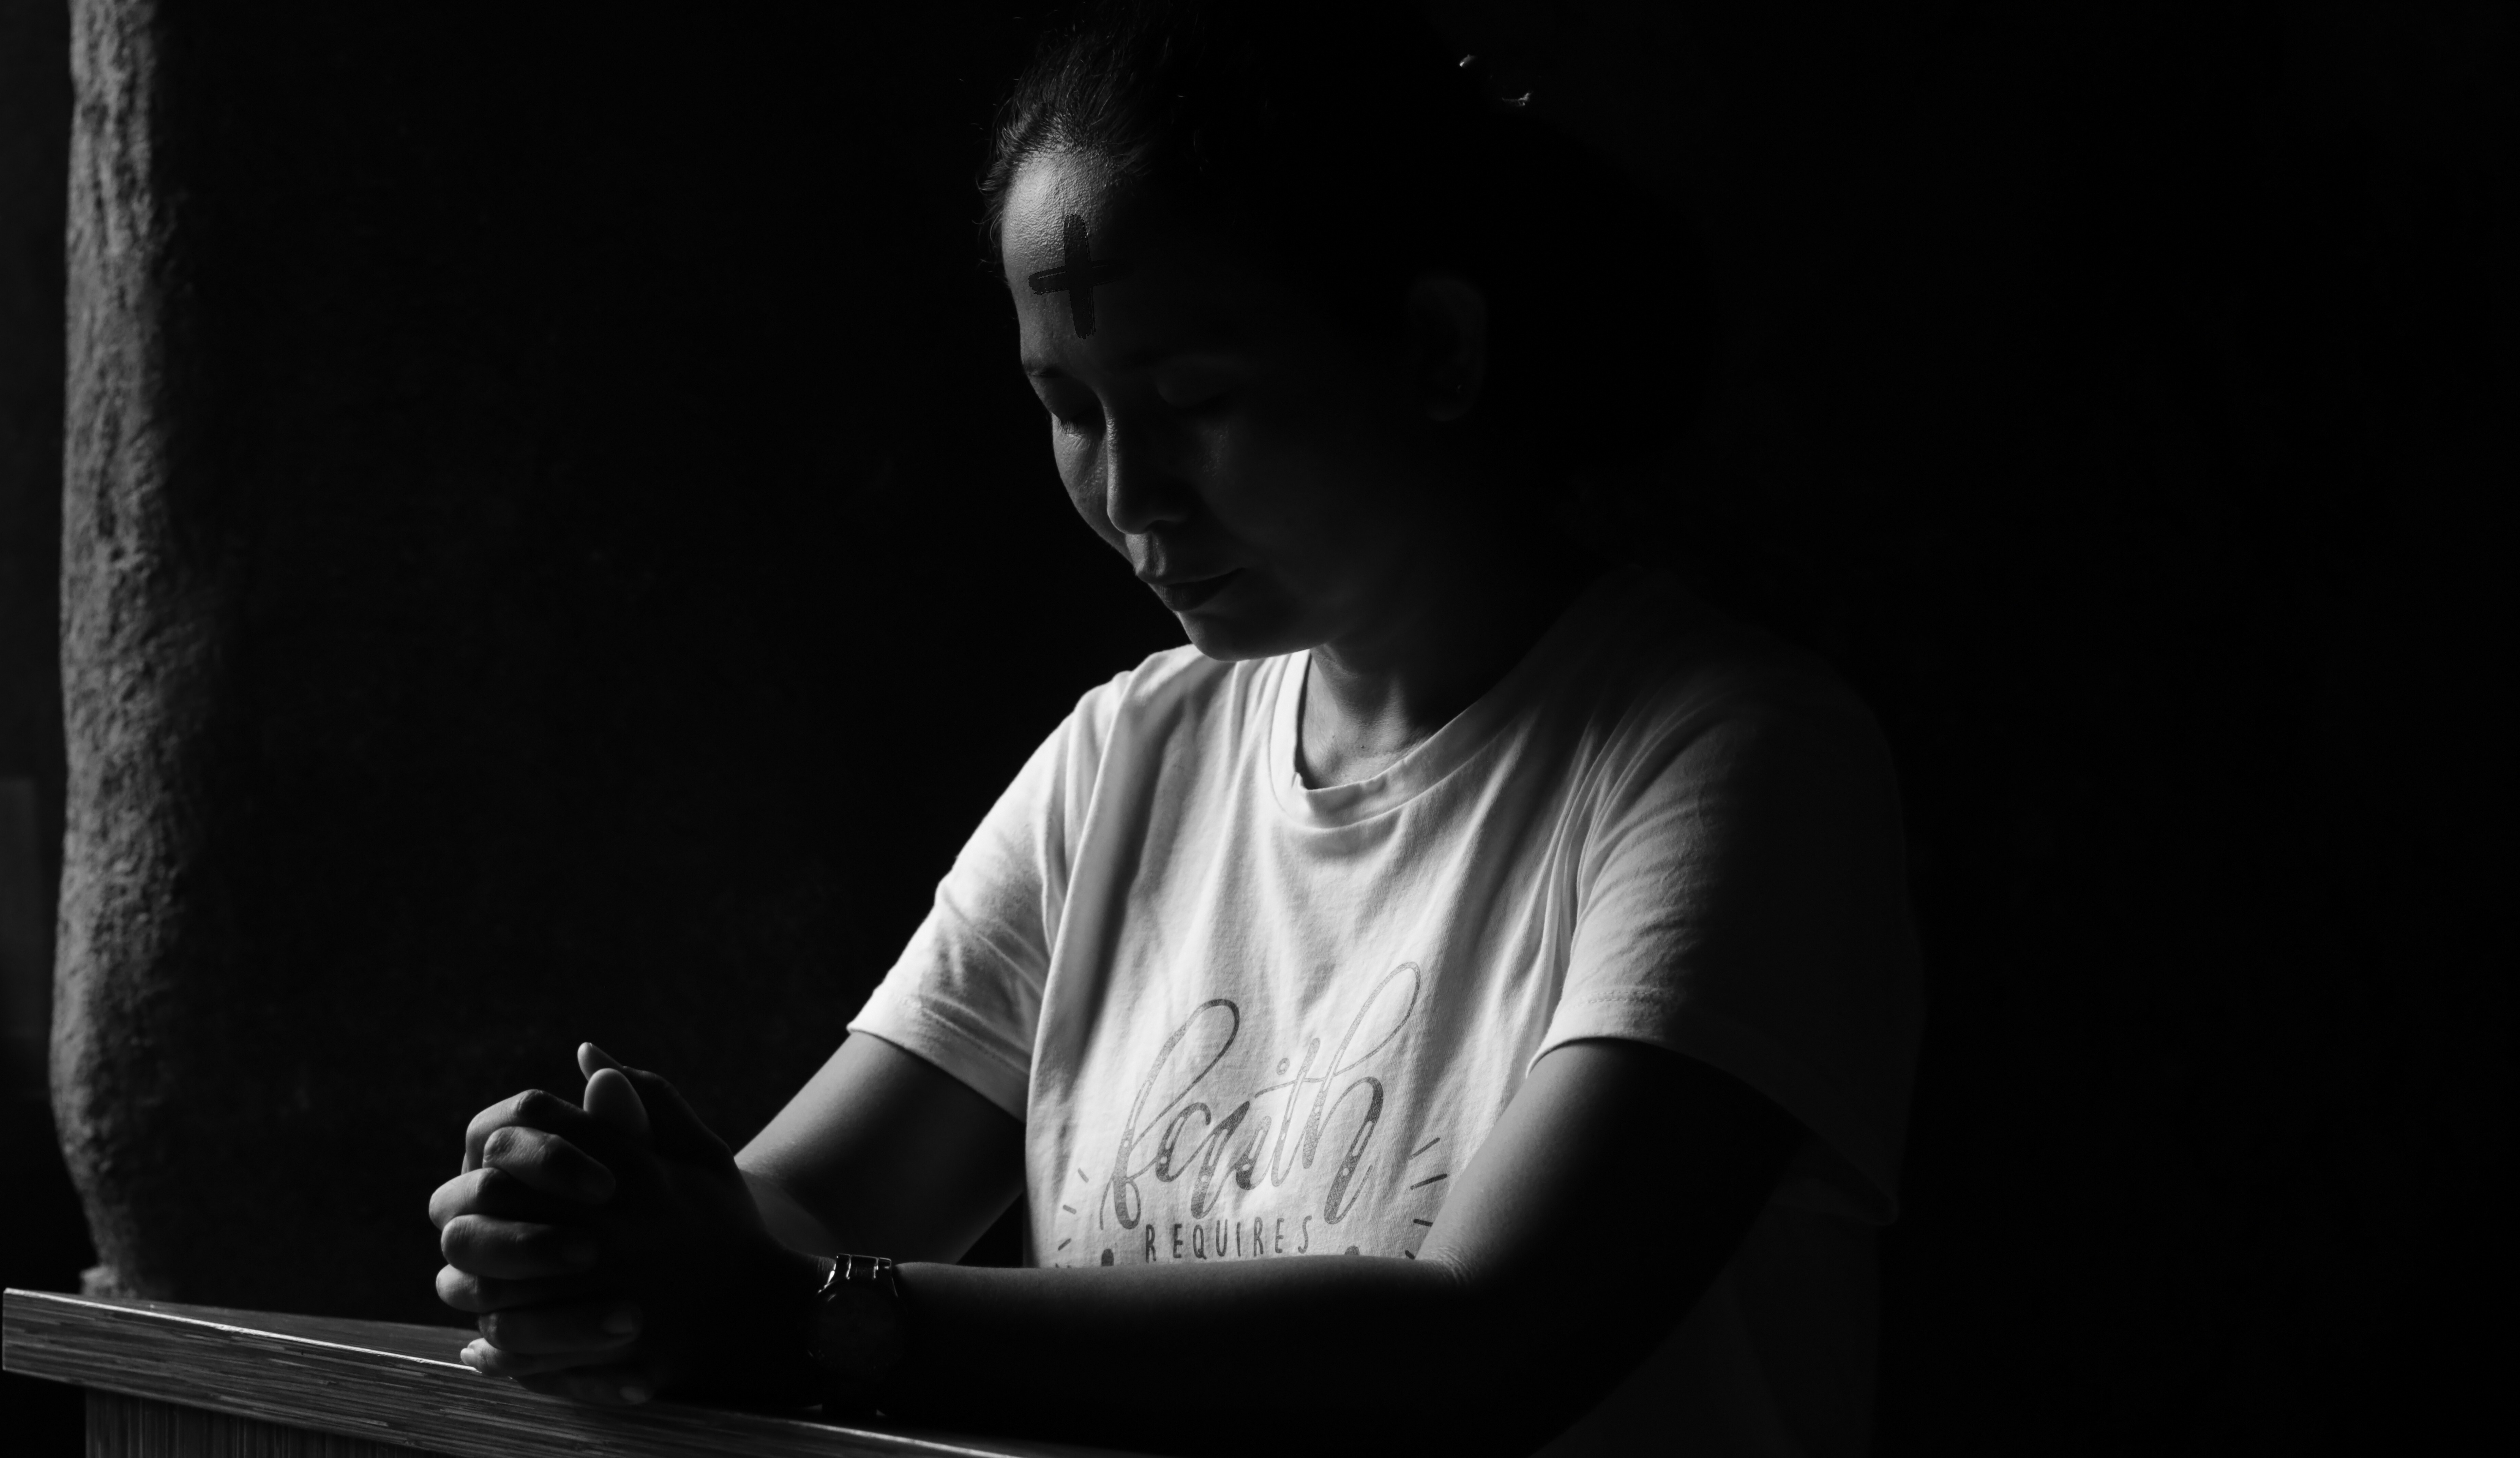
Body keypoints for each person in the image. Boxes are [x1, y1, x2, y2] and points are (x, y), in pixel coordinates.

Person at [424, 4, 1921, 1454]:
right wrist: (603, 1240)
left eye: (1197, 399)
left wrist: (811, 1319)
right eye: (1070, 407)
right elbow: (807, 1214)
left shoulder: (1731, 763)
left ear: (1435, 351)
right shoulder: (1123, 761)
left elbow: (1484, 1340)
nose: (1132, 493)